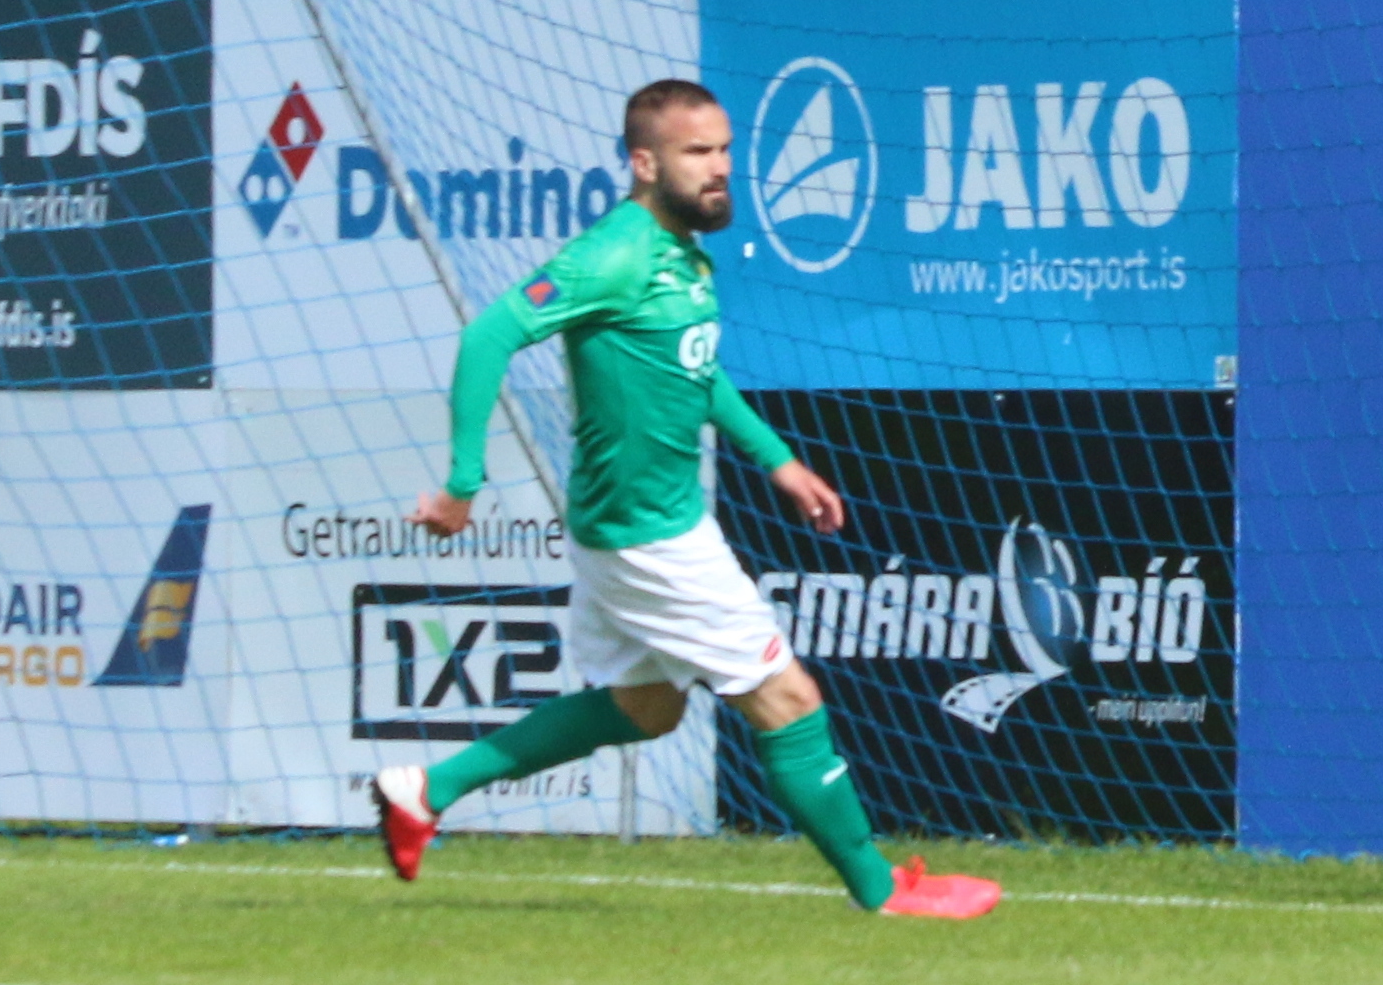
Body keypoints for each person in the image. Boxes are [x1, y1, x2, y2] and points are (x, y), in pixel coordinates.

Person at [389, 78, 995, 918]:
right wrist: (463, 483)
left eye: (724, 150)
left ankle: (425, 790)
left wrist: (779, 461)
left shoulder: (683, 255)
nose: (719, 168)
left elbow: (696, 373)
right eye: (697, 152)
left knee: (647, 707)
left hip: (632, 525)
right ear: (644, 163)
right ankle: (879, 888)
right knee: (788, 697)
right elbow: (490, 334)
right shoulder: (615, 254)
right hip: (650, 535)